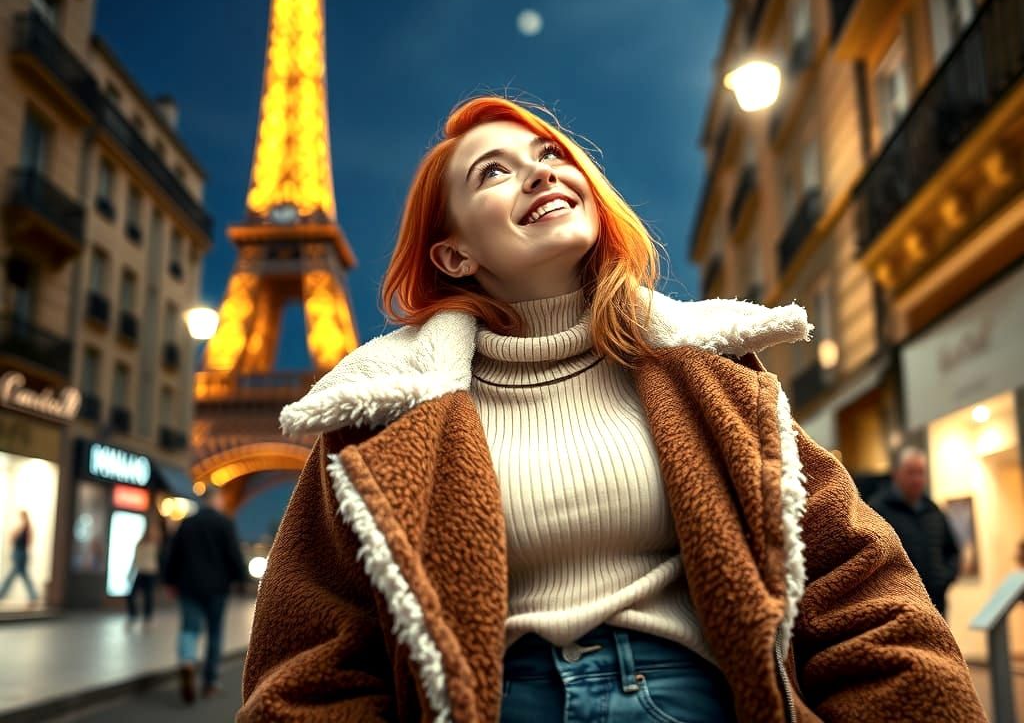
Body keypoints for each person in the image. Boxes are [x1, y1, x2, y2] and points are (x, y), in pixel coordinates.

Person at [239, 96, 985, 722]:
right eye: (494, 172)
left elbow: (855, 583)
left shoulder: (712, 374)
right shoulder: (382, 416)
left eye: (549, 154)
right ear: (455, 255)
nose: (538, 171)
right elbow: (313, 660)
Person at [164, 491, 246, 704]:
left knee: (189, 627)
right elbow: (233, 555)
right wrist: (241, 579)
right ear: (216, 501)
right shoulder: (224, 523)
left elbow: (174, 554)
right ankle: (210, 682)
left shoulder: (187, 523)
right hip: (217, 588)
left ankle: (187, 662)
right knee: (215, 633)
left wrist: (170, 581)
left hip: (189, 585)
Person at [870, 446, 961, 617]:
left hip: (936, 605)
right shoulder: (877, 510)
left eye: (921, 472)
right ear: (896, 474)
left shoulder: (933, 511)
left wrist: (944, 578)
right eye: (911, 472)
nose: (917, 479)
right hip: (896, 609)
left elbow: (952, 551)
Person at [0, 510, 38, 603]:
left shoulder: (26, 528)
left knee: (14, 574)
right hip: (18, 552)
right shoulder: (21, 527)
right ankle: (33, 595)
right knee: (22, 574)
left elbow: (28, 540)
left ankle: (2, 592)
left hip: (21, 553)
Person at [127, 523, 161, 622]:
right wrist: (131, 571)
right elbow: (136, 558)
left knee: (148, 595)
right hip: (141, 571)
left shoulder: (155, 545)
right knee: (132, 594)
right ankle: (133, 614)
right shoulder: (140, 544)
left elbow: (158, 559)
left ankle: (148, 615)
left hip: (151, 572)